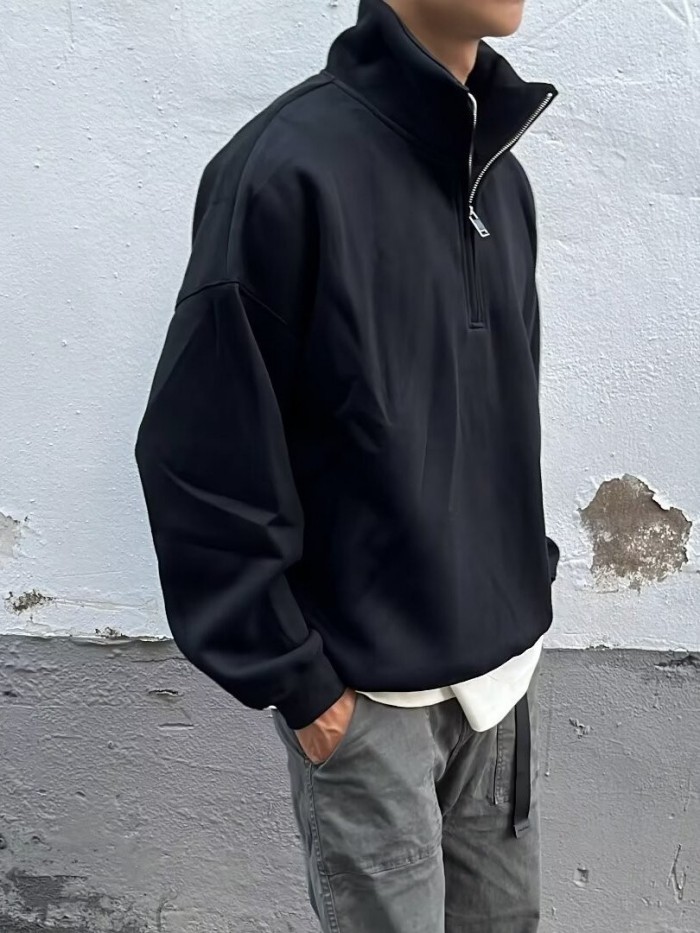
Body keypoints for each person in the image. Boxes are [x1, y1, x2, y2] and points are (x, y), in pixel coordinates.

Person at [135, 0, 560, 929]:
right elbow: (197, 452)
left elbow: (499, 407)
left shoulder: (502, 177)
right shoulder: (284, 170)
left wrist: (528, 580)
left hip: (499, 690)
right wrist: (303, 687)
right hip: (367, 706)